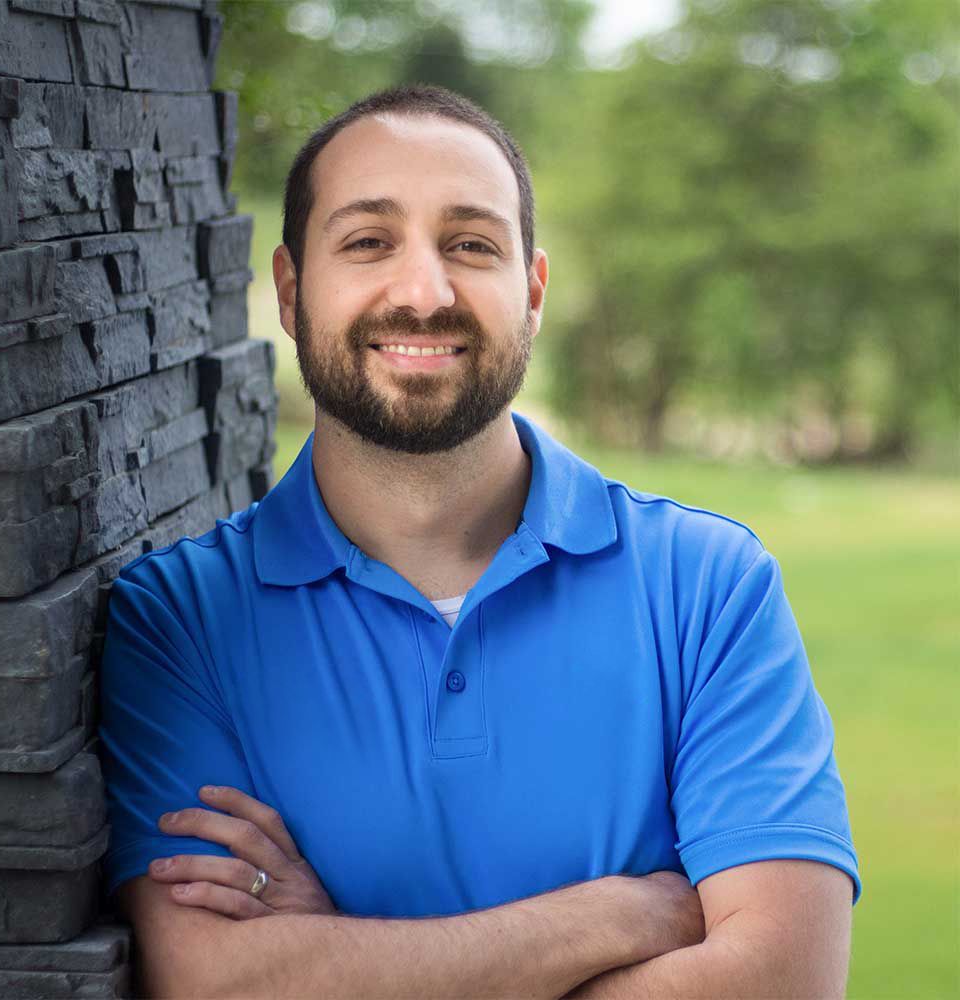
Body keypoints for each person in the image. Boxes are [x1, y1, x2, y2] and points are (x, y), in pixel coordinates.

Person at [100, 84, 860, 999]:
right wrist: (618, 915)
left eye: (471, 245)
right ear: (293, 291)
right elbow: (218, 985)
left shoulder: (707, 587)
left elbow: (783, 981)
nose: (425, 293)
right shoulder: (179, 619)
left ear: (531, 292)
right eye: (368, 241)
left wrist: (342, 959)